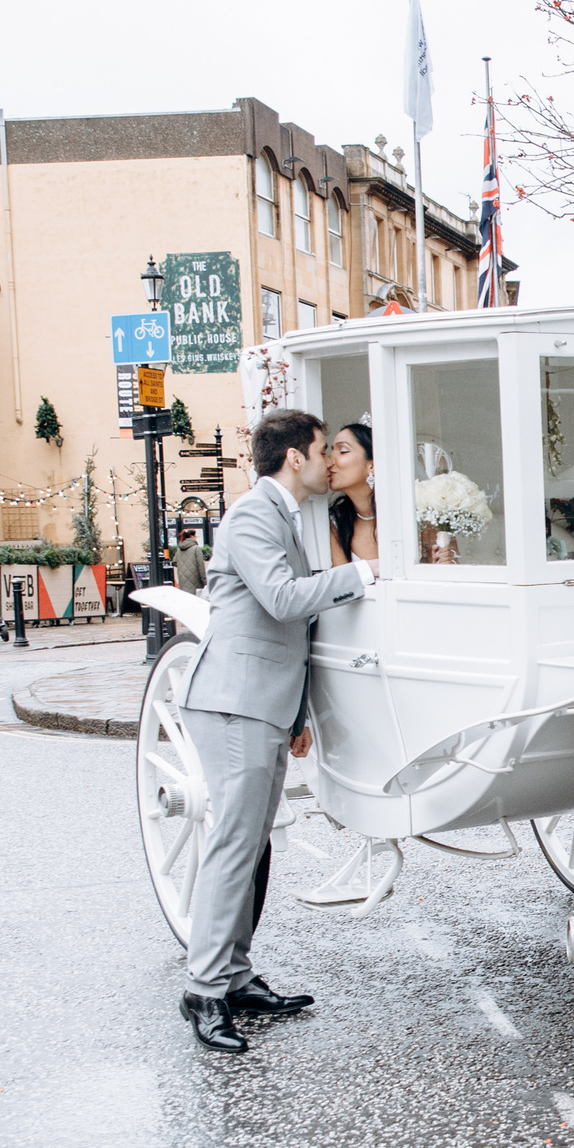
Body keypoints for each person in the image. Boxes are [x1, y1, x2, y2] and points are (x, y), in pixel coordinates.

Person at [175, 407, 376, 1053]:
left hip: (260, 702)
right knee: (235, 845)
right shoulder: (253, 515)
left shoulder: (281, 516)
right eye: (321, 450)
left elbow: (287, 627)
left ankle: (233, 976)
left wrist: (294, 715)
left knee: (251, 843)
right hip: (232, 701)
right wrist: (364, 574)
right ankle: (204, 989)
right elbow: (284, 600)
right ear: (295, 456)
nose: (326, 461)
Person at [326, 422, 378, 565]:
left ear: (372, 465)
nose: (329, 461)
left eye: (342, 451)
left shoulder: (404, 516)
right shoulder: (335, 521)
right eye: (331, 451)